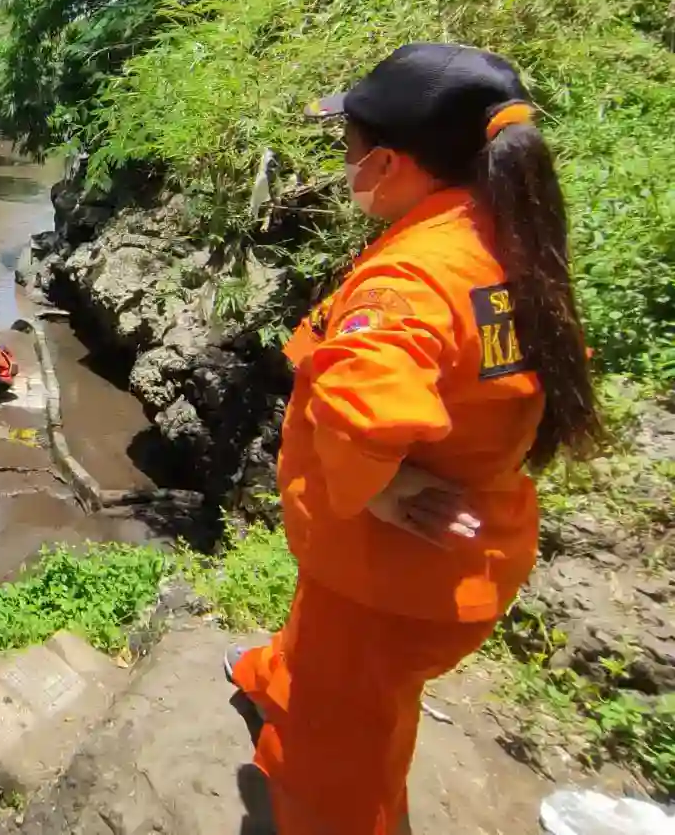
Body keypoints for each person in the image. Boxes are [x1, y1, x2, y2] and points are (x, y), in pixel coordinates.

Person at [226, 43, 604, 835]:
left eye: (348, 147)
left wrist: (381, 484)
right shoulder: (505, 237)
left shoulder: (412, 277)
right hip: (454, 555)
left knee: (336, 772)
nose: (343, 161)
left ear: (389, 162)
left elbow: (363, 404)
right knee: (317, 637)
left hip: (385, 580)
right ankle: (272, 680)